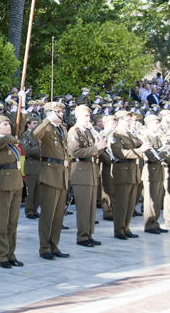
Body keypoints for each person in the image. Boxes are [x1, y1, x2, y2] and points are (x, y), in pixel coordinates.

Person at [0, 106, 27, 269]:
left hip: (16, 183)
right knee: (2, 223)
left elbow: (21, 127)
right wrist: (11, 137)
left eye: (9, 124)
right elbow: (2, 142)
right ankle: (2, 256)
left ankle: (11, 254)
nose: (8, 126)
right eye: (4, 125)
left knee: (13, 222)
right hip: (2, 184)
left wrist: (22, 105)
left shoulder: (10, 140)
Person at [32, 101, 71, 260]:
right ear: (50, 113)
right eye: (58, 112)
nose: (62, 114)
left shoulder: (61, 128)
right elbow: (35, 134)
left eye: (62, 112)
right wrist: (47, 119)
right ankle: (44, 247)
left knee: (58, 215)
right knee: (48, 213)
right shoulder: (46, 128)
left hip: (62, 173)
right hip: (49, 174)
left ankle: (54, 245)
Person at [67, 105, 105, 247]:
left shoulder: (89, 132)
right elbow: (75, 152)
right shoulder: (74, 131)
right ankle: (82, 236)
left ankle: (89, 233)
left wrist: (100, 146)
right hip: (81, 171)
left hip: (91, 170)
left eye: (89, 116)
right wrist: (96, 148)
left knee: (91, 207)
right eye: (85, 116)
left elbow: (95, 152)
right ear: (77, 116)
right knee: (83, 207)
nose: (88, 119)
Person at [107, 111, 148, 239]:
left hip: (133, 171)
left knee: (130, 203)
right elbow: (120, 153)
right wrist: (140, 150)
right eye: (128, 120)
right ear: (120, 120)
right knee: (122, 203)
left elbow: (135, 148)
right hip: (122, 171)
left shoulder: (130, 134)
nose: (131, 123)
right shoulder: (115, 134)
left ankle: (126, 227)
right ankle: (119, 229)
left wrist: (142, 142)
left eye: (131, 120)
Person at [141, 115, 170, 234]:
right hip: (150, 171)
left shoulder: (156, 137)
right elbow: (152, 156)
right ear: (149, 124)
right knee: (150, 200)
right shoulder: (146, 137)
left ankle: (155, 223)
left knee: (157, 199)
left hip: (158, 170)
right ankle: (149, 224)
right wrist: (168, 151)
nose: (159, 125)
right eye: (157, 123)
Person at [21, 115, 41, 219]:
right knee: (31, 190)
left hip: (39, 165)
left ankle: (35, 209)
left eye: (37, 123)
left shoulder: (37, 135)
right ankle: (29, 211)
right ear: (28, 124)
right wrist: (40, 149)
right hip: (31, 164)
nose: (36, 125)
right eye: (34, 123)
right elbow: (27, 150)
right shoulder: (26, 136)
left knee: (38, 190)